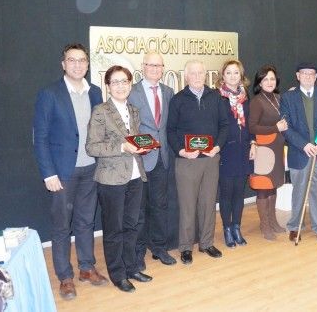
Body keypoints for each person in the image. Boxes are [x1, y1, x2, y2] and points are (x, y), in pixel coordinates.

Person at [33, 43, 108, 300]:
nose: (77, 64)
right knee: (62, 227)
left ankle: (86, 268)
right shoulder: (50, 94)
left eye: (82, 60)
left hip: (91, 170)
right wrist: (48, 173)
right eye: (72, 60)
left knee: (86, 221)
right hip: (62, 174)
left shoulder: (96, 93)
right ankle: (65, 276)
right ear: (63, 64)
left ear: (87, 65)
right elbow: (40, 137)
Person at [86, 65, 152, 293]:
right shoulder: (100, 111)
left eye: (124, 81)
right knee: (114, 230)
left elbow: (134, 142)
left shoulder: (133, 110)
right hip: (111, 179)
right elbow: (91, 147)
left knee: (132, 226)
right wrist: (122, 146)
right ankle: (117, 274)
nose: (121, 86)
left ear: (130, 84)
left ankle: (131, 266)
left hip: (135, 175)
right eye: (115, 82)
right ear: (108, 86)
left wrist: (141, 147)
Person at [166, 60, 228, 265]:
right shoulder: (178, 100)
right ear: (186, 76)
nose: (197, 76)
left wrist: (217, 147)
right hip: (187, 162)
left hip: (210, 159)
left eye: (200, 72)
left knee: (208, 203)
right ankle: (185, 247)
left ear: (205, 75)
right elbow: (171, 131)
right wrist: (182, 151)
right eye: (193, 73)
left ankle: (206, 243)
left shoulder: (216, 98)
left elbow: (224, 125)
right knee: (187, 206)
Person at [281, 62, 317, 245]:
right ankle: (295, 226)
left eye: (311, 74)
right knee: (298, 192)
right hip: (300, 153)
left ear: (316, 77)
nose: (307, 76)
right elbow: (285, 128)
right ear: (298, 76)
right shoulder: (287, 97)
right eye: (304, 73)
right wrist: (303, 144)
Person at [128, 52, 176, 268]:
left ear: (163, 68)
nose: (155, 69)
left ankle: (159, 247)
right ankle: (138, 254)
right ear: (143, 66)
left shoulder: (168, 92)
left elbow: (166, 126)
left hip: (162, 159)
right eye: (151, 65)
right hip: (140, 159)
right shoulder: (131, 91)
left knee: (160, 206)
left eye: (159, 65)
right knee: (138, 210)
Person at [215, 60, 254, 248]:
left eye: (236, 73)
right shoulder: (217, 97)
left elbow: (251, 123)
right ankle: (227, 229)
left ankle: (237, 227)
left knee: (239, 192)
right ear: (223, 76)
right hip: (225, 151)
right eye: (228, 73)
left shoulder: (246, 97)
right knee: (226, 193)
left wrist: (253, 142)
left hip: (243, 150)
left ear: (241, 76)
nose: (232, 76)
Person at [249, 65, 288, 240]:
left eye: (272, 79)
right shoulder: (257, 100)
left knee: (273, 185)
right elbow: (252, 127)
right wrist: (276, 127)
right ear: (259, 82)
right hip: (264, 149)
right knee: (264, 188)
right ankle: (265, 226)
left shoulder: (279, 98)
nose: (269, 82)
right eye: (265, 79)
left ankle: (273, 221)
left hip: (278, 148)